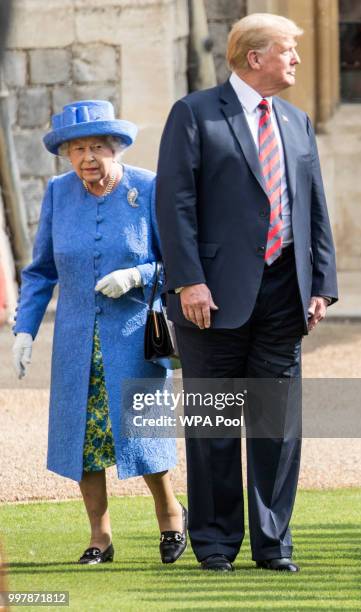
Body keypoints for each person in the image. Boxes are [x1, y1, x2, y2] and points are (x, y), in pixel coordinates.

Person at [156, 13, 338, 572]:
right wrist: (188, 279)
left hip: (286, 295)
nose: (297, 61)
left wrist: (321, 286)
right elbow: (175, 204)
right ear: (254, 57)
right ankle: (214, 545)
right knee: (213, 429)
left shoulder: (297, 121)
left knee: (277, 429)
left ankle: (273, 545)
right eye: (288, 51)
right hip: (209, 299)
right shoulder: (194, 113)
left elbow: (313, 205)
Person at [12, 100, 187, 565]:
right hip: (75, 339)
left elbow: (177, 262)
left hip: (134, 333)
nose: (88, 158)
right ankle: (100, 537)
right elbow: (40, 270)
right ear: (67, 156)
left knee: (143, 431)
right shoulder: (58, 193)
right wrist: (24, 330)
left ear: (116, 149)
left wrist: (135, 276)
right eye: (77, 149)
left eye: (97, 147)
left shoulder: (147, 187)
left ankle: (170, 515)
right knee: (81, 439)